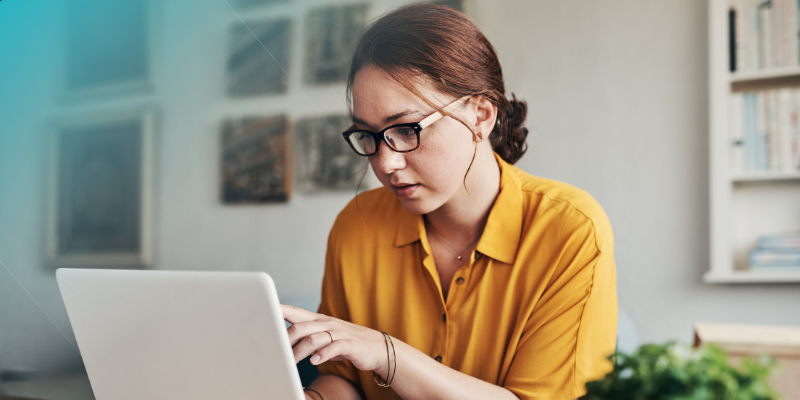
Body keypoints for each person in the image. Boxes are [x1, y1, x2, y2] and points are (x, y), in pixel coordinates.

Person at [283, 4, 617, 400]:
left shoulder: (571, 229)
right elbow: (344, 378)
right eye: (367, 136)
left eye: (407, 129)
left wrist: (385, 353)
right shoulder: (356, 224)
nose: (385, 162)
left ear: (481, 115)